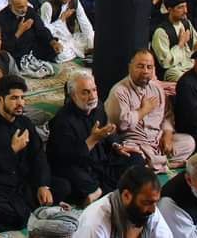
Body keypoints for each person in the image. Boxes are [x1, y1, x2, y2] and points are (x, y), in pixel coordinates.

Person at [0, 75, 69, 231]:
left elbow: (38, 156)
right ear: (1, 100)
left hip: (23, 183)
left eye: (23, 98)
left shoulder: (25, 123)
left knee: (63, 186)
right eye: (14, 98)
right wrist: (11, 150)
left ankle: (29, 210)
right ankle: (30, 213)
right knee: (2, 211)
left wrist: (43, 185)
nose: (20, 103)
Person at [48, 71, 145, 205]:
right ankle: (99, 191)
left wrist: (117, 146)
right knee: (71, 178)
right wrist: (92, 140)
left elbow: (109, 131)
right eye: (85, 92)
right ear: (73, 95)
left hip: (102, 161)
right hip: (80, 168)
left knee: (135, 159)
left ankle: (98, 193)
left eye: (94, 90)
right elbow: (65, 159)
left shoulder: (98, 106)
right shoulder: (62, 121)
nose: (92, 96)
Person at [106, 49, 195, 172]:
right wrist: (143, 111)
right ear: (130, 67)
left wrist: (167, 136)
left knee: (188, 142)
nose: (145, 71)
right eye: (140, 66)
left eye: (149, 67)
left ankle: (155, 164)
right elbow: (121, 125)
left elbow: (167, 116)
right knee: (132, 158)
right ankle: (163, 164)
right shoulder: (119, 91)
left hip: (157, 141)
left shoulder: (157, 89)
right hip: (134, 143)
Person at [76, 165, 173, 237]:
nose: (153, 210)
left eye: (155, 202)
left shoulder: (148, 210)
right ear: (126, 195)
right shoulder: (95, 224)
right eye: (147, 203)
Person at [151, 0, 197, 81]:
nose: (185, 11)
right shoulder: (161, 32)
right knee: (182, 78)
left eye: (185, 6)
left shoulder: (186, 23)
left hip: (189, 64)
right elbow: (165, 63)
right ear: (169, 10)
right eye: (180, 7)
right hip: (173, 70)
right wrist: (180, 44)